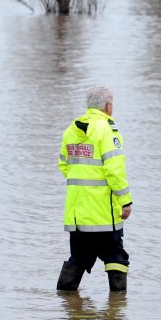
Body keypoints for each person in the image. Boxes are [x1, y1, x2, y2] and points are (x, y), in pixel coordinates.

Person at [56, 86, 133, 292]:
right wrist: (125, 201)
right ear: (108, 106)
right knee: (116, 258)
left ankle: (65, 300)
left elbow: (64, 166)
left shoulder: (71, 131)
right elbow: (115, 170)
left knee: (79, 257)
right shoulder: (107, 130)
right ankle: (117, 306)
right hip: (103, 213)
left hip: (77, 214)